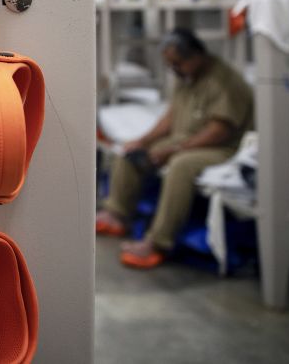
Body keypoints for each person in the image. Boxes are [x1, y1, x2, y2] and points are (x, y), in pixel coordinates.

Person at [95, 28, 254, 268]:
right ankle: (118, 214)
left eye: (178, 63)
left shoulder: (225, 82)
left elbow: (219, 131)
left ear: (196, 56)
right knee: (131, 153)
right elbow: (170, 119)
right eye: (171, 65)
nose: (174, 69)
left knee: (181, 166)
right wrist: (143, 141)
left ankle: (159, 242)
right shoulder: (186, 77)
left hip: (222, 147)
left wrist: (173, 150)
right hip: (187, 140)